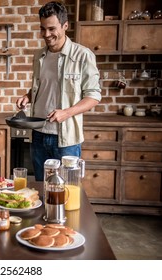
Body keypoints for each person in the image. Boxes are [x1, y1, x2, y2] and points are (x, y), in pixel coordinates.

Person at [16, 1, 101, 181]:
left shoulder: (83, 55)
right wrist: (28, 96)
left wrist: (66, 113)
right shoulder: (39, 55)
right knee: (41, 188)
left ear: (65, 26)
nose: (46, 34)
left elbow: (93, 96)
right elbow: (44, 86)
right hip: (38, 133)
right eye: (43, 29)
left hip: (66, 140)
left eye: (52, 29)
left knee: (67, 191)